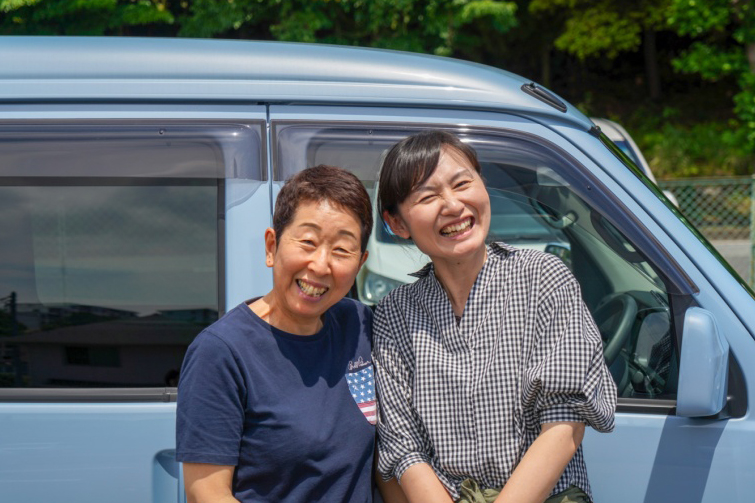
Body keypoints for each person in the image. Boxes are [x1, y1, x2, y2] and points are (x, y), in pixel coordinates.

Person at [372, 131, 617, 503]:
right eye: (428, 196)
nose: (452, 205)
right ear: (397, 224)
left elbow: (564, 422)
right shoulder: (394, 314)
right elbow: (404, 450)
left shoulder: (543, 278)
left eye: (462, 183)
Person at [176, 165, 384, 502]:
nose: (320, 265)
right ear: (272, 246)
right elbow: (207, 492)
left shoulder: (360, 325)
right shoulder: (222, 352)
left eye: (341, 250)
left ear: (360, 264)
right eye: (308, 242)